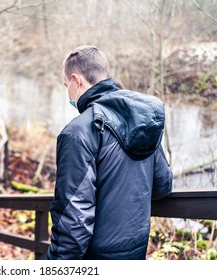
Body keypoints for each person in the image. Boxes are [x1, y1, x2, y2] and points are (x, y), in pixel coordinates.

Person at [47, 45, 173, 260]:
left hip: (97, 256)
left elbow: (74, 218)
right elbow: (162, 186)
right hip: (137, 249)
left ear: (76, 81)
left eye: (66, 85)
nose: (67, 92)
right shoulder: (143, 121)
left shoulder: (78, 132)